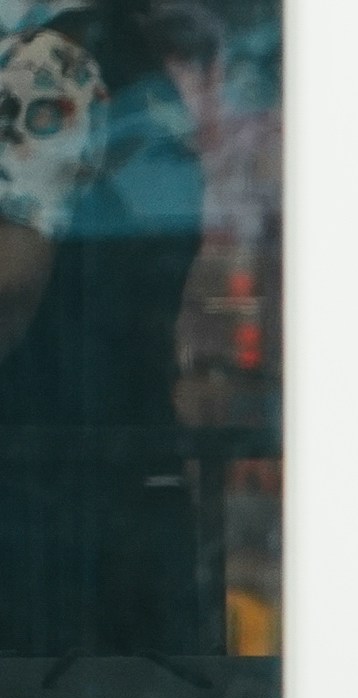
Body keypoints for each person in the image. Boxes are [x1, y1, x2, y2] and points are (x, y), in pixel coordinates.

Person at [0, 0, 212, 657]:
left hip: (42, 498)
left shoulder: (48, 65)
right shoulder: (137, 69)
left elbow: (9, 285)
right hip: (126, 476)